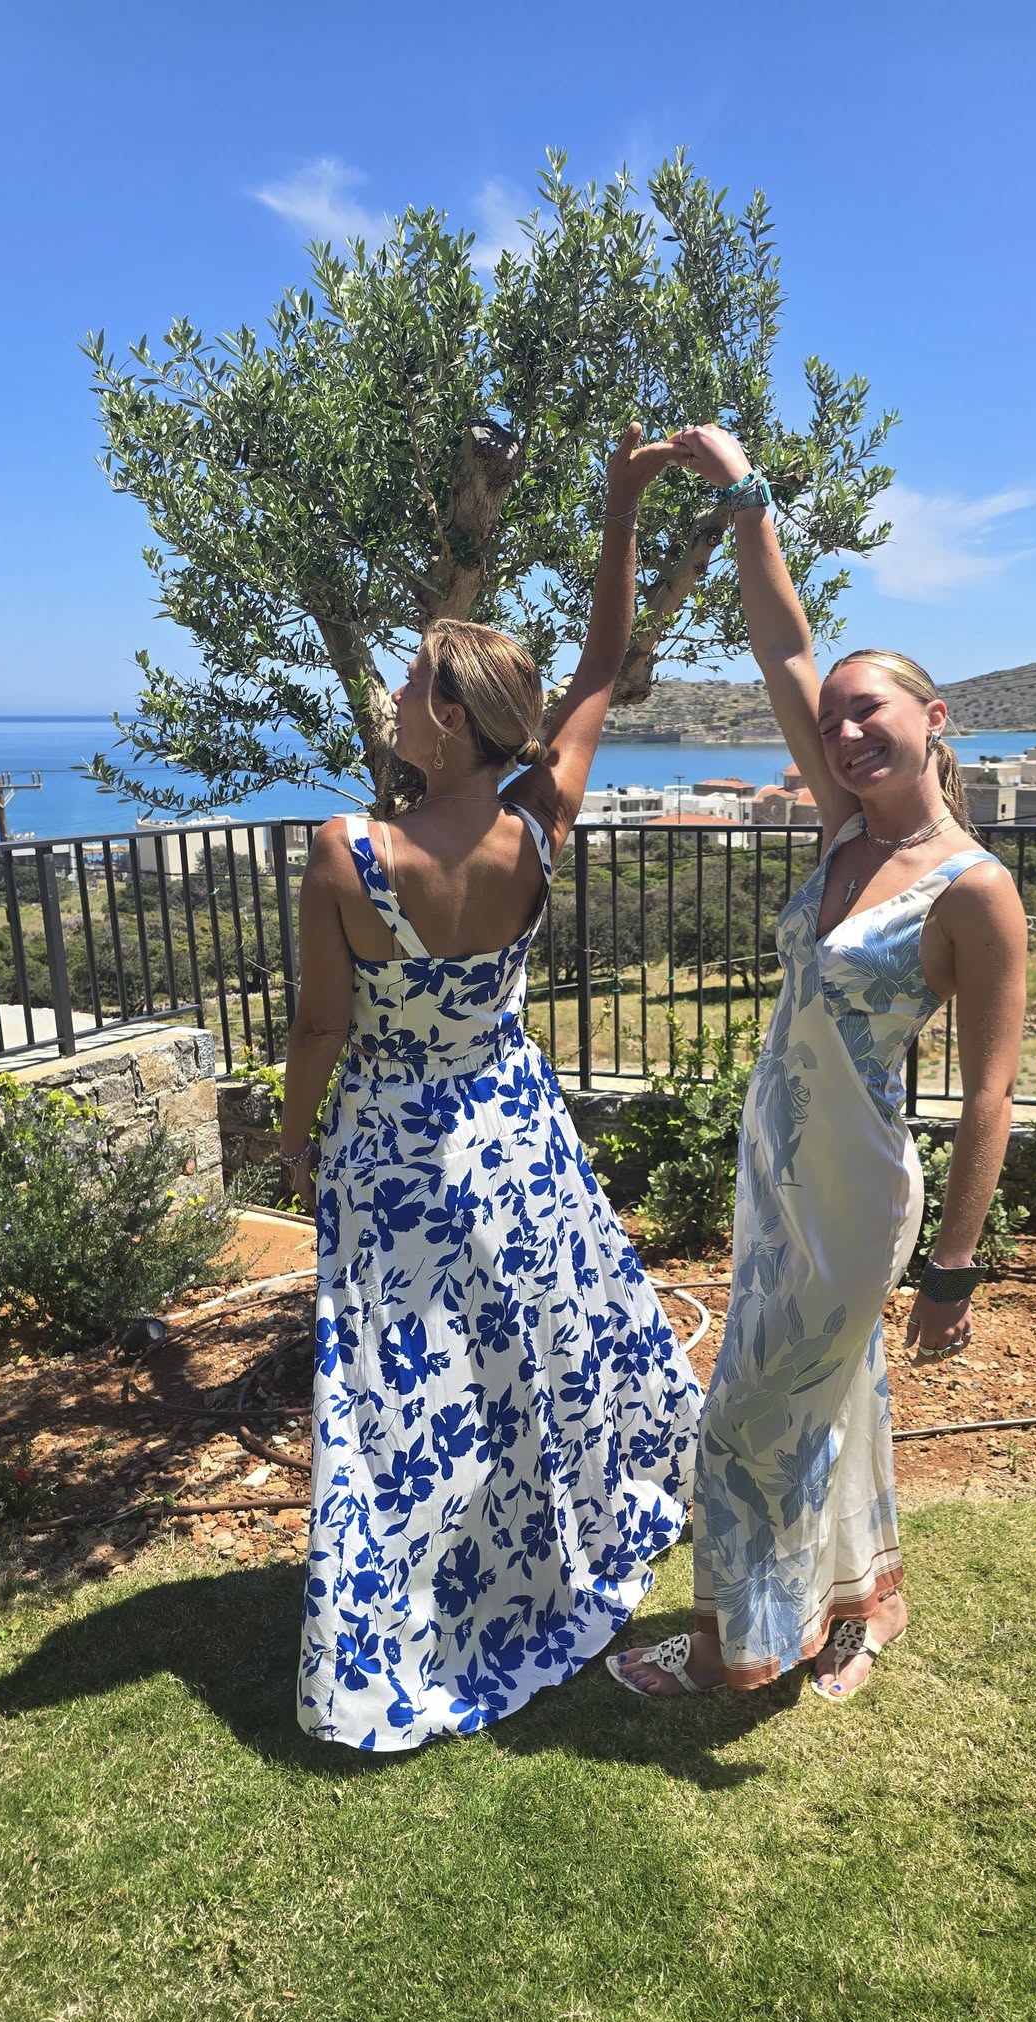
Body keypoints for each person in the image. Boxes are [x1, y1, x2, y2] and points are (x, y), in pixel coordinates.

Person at [281, 427, 704, 1747]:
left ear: (448, 717)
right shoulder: (542, 815)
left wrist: (296, 1144)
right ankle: (544, 1570)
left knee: (404, 1392)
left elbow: (316, 1025)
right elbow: (599, 660)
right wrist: (624, 504)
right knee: (528, 1367)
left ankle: (410, 1630)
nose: (398, 705)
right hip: (515, 1139)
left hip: (393, 1155)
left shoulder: (350, 855)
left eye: (412, 688)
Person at [609, 424, 1028, 1703]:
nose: (845, 731)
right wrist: (739, 492)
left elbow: (993, 1092)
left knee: (740, 1421)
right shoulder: (846, 832)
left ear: (933, 720)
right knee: (833, 1405)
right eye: (836, 717)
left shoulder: (976, 889)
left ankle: (736, 1647)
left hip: (853, 1195)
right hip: (776, 1173)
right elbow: (783, 638)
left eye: (873, 711)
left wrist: (954, 1269)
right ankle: (855, 1609)